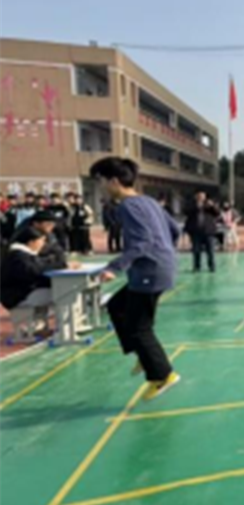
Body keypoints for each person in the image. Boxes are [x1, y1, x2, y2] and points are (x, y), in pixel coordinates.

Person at [90, 157, 181, 400]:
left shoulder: (127, 207)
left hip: (150, 272)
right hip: (155, 269)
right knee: (117, 306)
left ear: (113, 181)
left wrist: (115, 267)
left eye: (101, 181)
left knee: (140, 328)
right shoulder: (149, 201)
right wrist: (166, 253)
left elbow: (142, 242)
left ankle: (162, 375)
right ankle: (143, 355)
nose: (101, 187)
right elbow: (174, 230)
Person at [0, 228, 69, 334]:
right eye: (41, 241)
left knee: (60, 290)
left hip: (25, 292)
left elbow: (40, 268)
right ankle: (65, 330)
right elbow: (35, 271)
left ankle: (43, 326)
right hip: (17, 297)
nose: (43, 244)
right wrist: (62, 266)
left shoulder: (24, 255)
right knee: (64, 294)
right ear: (31, 242)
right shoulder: (18, 257)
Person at [184, 192, 219, 272]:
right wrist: (197, 206)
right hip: (196, 232)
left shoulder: (209, 206)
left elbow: (217, 213)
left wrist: (212, 206)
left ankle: (212, 266)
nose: (201, 198)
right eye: (199, 196)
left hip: (208, 232)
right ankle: (197, 267)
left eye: (203, 196)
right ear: (196, 197)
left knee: (210, 250)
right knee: (196, 250)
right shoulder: (191, 205)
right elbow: (186, 212)